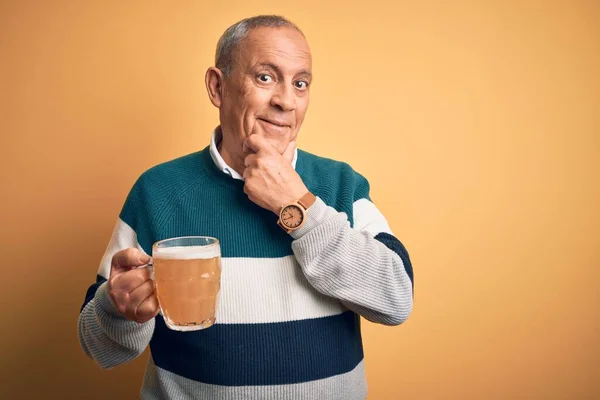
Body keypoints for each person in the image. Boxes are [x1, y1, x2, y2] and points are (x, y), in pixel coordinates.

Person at [78, 15, 414, 400]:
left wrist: (298, 206)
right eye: (266, 77)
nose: (286, 101)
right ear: (218, 87)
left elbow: (396, 300)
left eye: (300, 84)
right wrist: (116, 308)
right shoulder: (157, 191)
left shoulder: (341, 184)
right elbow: (99, 348)